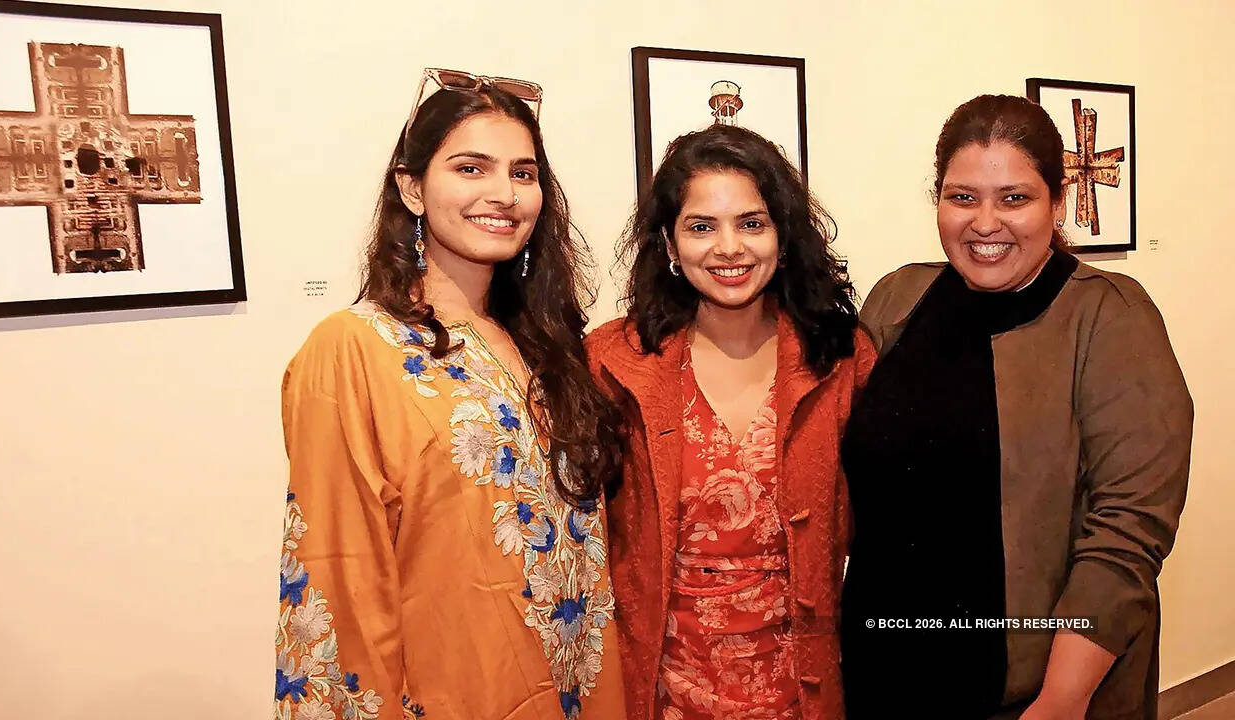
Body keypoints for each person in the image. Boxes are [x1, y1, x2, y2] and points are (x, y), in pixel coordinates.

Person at [275, 68, 626, 720]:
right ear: (412, 188)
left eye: (524, 174)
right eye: (471, 168)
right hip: (447, 694)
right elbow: (338, 583)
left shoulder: (544, 345)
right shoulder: (352, 350)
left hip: (574, 688)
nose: (504, 194)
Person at [840, 94, 1192, 720]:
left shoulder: (1109, 316)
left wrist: (1060, 699)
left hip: (1029, 690)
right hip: (886, 666)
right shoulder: (899, 297)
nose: (984, 222)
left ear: (1058, 202)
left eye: (1014, 198)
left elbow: (1127, 530)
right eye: (963, 196)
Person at [587, 124, 875, 720]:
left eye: (751, 222)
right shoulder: (612, 364)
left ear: (782, 235)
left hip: (803, 690)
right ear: (668, 243)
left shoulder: (843, 359)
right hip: (662, 691)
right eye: (701, 227)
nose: (729, 247)